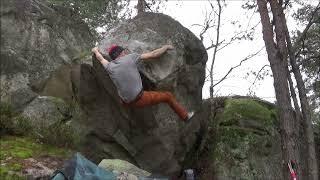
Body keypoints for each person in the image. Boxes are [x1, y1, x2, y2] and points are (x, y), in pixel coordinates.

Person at [91, 44, 194, 121]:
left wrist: (95, 50)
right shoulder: (130, 58)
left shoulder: (110, 66)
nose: (126, 52)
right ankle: (185, 116)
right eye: (124, 51)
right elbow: (153, 54)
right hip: (139, 99)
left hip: (125, 102)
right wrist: (166, 47)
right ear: (121, 53)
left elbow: (100, 58)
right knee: (168, 96)